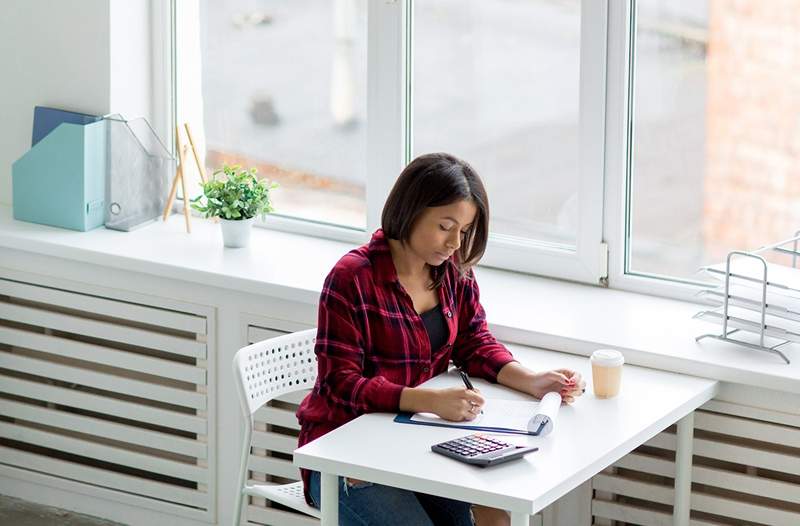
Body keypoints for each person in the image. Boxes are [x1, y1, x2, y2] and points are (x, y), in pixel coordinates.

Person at [296, 152, 586, 526]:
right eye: (445, 226)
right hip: (344, 453)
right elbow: (341, 383)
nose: (454, 242)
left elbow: (474, 342)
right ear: (411, 210)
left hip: (416, 447)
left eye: (464, 231)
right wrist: (427, 400)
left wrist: (531, 380)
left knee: (496, 516)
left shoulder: (453, 273)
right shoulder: (352, 278)